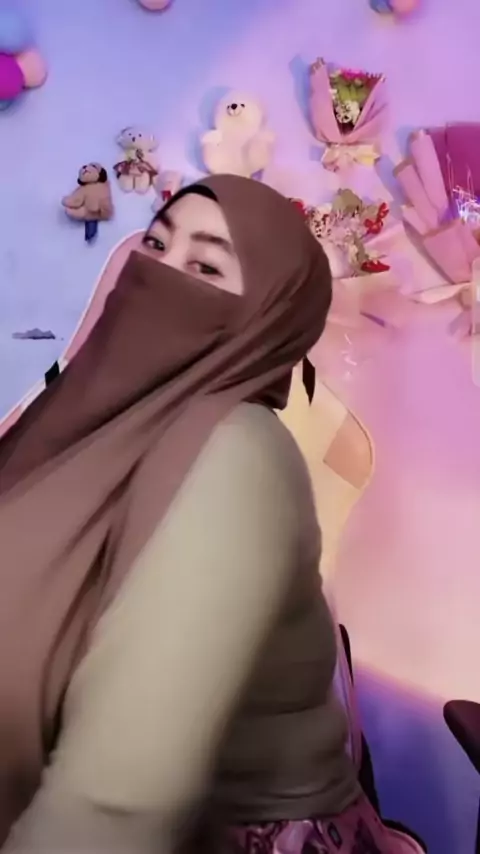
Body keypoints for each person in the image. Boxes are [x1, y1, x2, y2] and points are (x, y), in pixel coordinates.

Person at [0, 176, 404, 853]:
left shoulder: (232, 455)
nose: (159, 275)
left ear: (266, 314)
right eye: (156, 245)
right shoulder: (91, 426)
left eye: (207, 267)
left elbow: (116, 802)